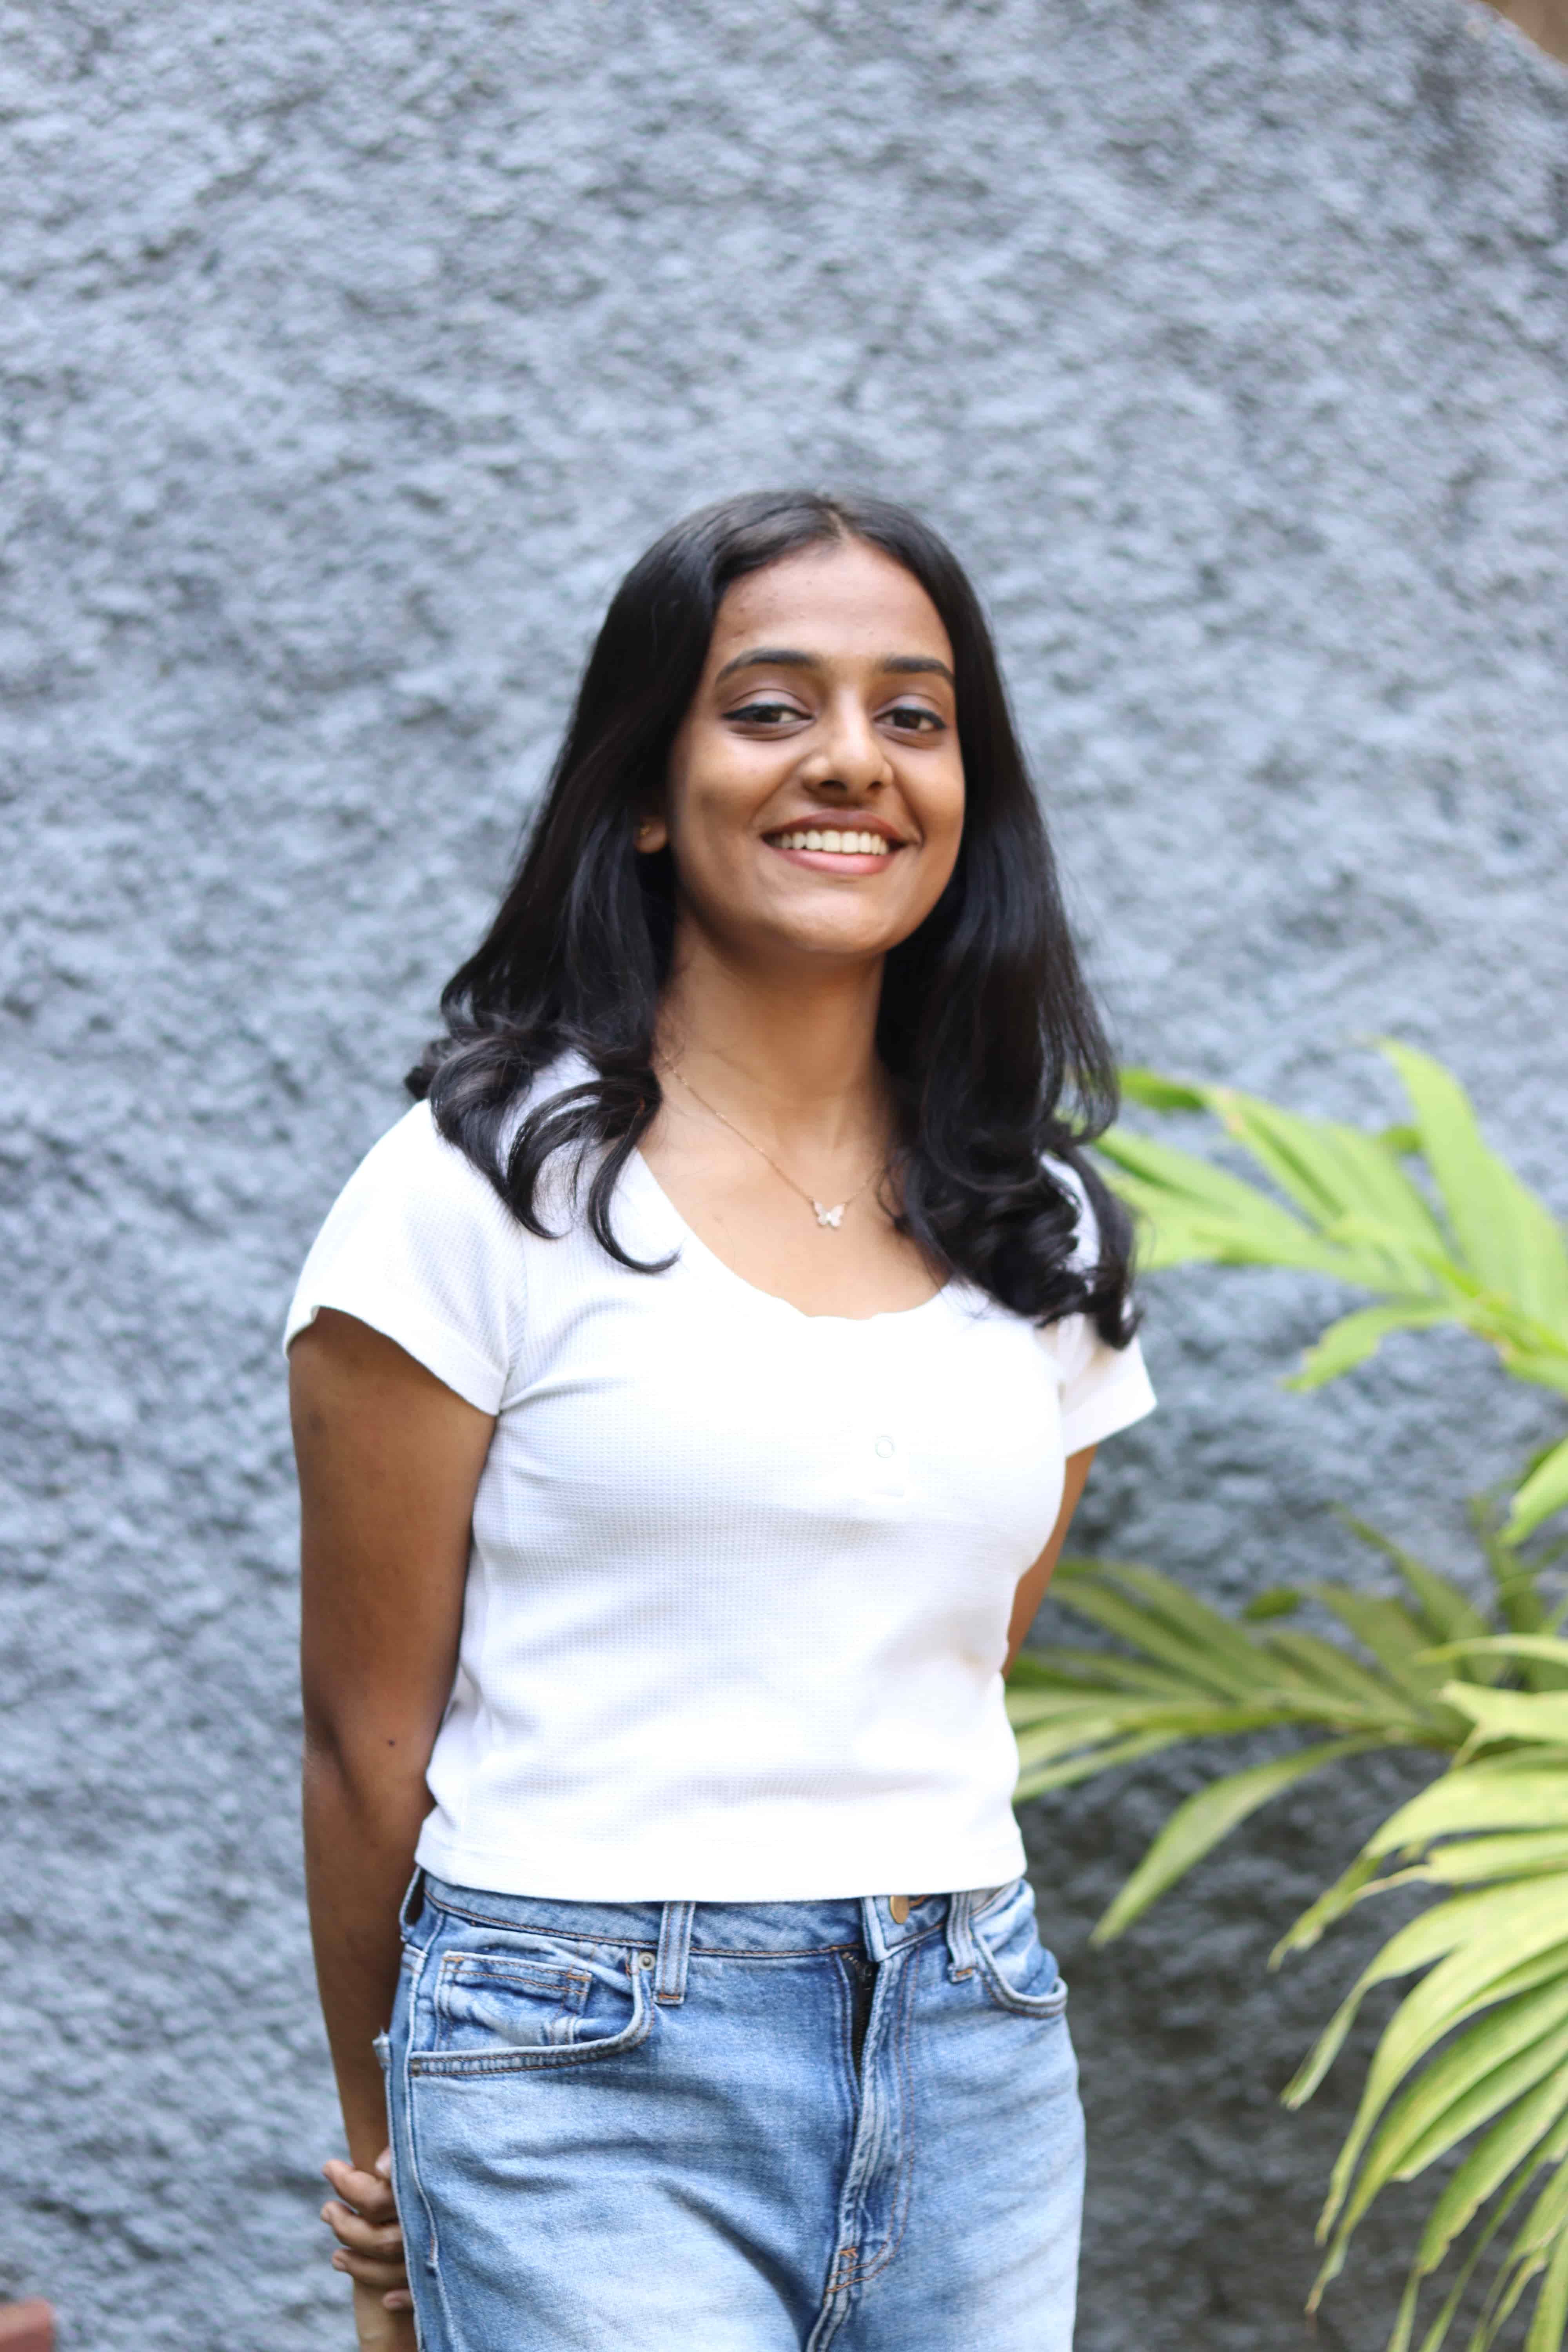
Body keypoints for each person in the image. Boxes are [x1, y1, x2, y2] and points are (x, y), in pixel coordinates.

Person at [287, 488, 1154, 2352]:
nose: (850, 759)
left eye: (912, 715)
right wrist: (389, 2168)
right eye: (770, 708)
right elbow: (367, 1743)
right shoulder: (471, 1192)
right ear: (642, 788)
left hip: (975, 2045)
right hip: (576, 2058)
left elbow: (944, 1661)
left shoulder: (1041, 1230)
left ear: (967, 792)